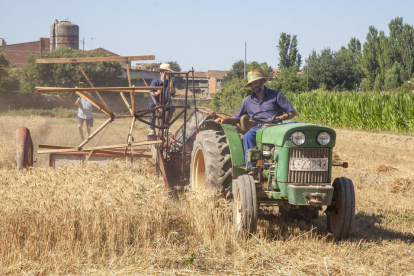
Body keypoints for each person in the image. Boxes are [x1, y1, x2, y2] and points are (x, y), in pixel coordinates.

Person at [215, 69, 296, 166]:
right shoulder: (247, 101)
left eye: (255, 82)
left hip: (276, 126)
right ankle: (251, 168)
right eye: (251, 84)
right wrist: (225, 119)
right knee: (247, 136)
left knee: (295, 128)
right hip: (258, 128)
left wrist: (279, 118)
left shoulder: (276, 95)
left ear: (262, 81)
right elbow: (237, 117)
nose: (254, 86)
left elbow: (292, 112)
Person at [147, 63, 176, 134]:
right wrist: (157, 92)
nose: (167, 75)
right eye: (166, 73)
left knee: (171, 107)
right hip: (155, 102)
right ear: (161, 73)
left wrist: (171, 87)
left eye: (169, 73)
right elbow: (151, 93)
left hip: (166, 102)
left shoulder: (170, 83)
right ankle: (152, 129)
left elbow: (172, 93)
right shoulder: (155, 82)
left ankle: (166, 127)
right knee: (150, 106)